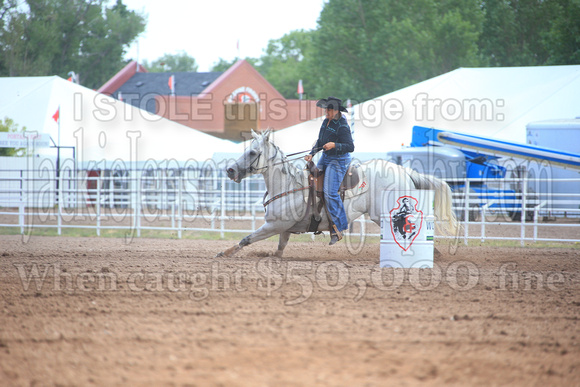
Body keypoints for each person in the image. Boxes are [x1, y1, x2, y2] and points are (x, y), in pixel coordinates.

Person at [304, 96, 354, 245]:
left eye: (329, 109)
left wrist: (334, 145)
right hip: (325, 157)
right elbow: (320, 141)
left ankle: (339, 227)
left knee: (330, 192)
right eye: (326, 109)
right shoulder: (326, 121)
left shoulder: (343, 126)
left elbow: (350, 146)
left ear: (336, 111)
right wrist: (312, 153)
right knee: (311, 181)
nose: (326, 111)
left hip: (338, 160)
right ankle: (316, 217)